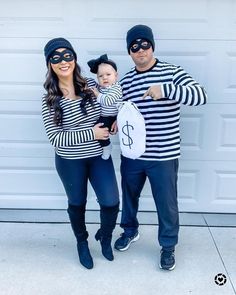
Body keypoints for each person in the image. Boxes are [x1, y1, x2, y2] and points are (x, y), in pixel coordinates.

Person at [114, 25, 207, 271]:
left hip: (163, 156)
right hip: (132, 155)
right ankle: (130, 231)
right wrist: (115, 121)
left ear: (152, 46)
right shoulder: (127, 80)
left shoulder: (171, 72)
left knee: (166, 203)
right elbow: (123, 112)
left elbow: (200, 95)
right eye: (135, 46)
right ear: (129, 52)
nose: (140, 50)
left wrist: (164, 90)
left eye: (145, 44)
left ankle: (168, 247)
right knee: (129, 198)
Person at [42, 38, 119, 269]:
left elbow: (108, 107)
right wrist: (91, 133)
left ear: (74, 59)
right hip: (69, 161)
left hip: (98, 157)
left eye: (67, 55)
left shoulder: (90, 85)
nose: (63, 61)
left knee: (111, 202)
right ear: (50, 64)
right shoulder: (49, 99)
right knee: (77, 202)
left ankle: (105, 236)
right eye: (56, 57)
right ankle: (82, 242)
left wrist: (114, 121)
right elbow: (56, 138)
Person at [87, 54, 122, 160]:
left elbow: (107, 100)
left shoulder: (116, 88)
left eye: (108, 74)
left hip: (113, 117)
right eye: (100, 76)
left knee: (100, 129)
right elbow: (94, 88)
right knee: (96, 129)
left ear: (116, 76)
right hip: (104, 115)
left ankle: (106, 146)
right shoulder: (102, 87)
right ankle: (105, 144)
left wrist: (97, 94)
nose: (105, 77)